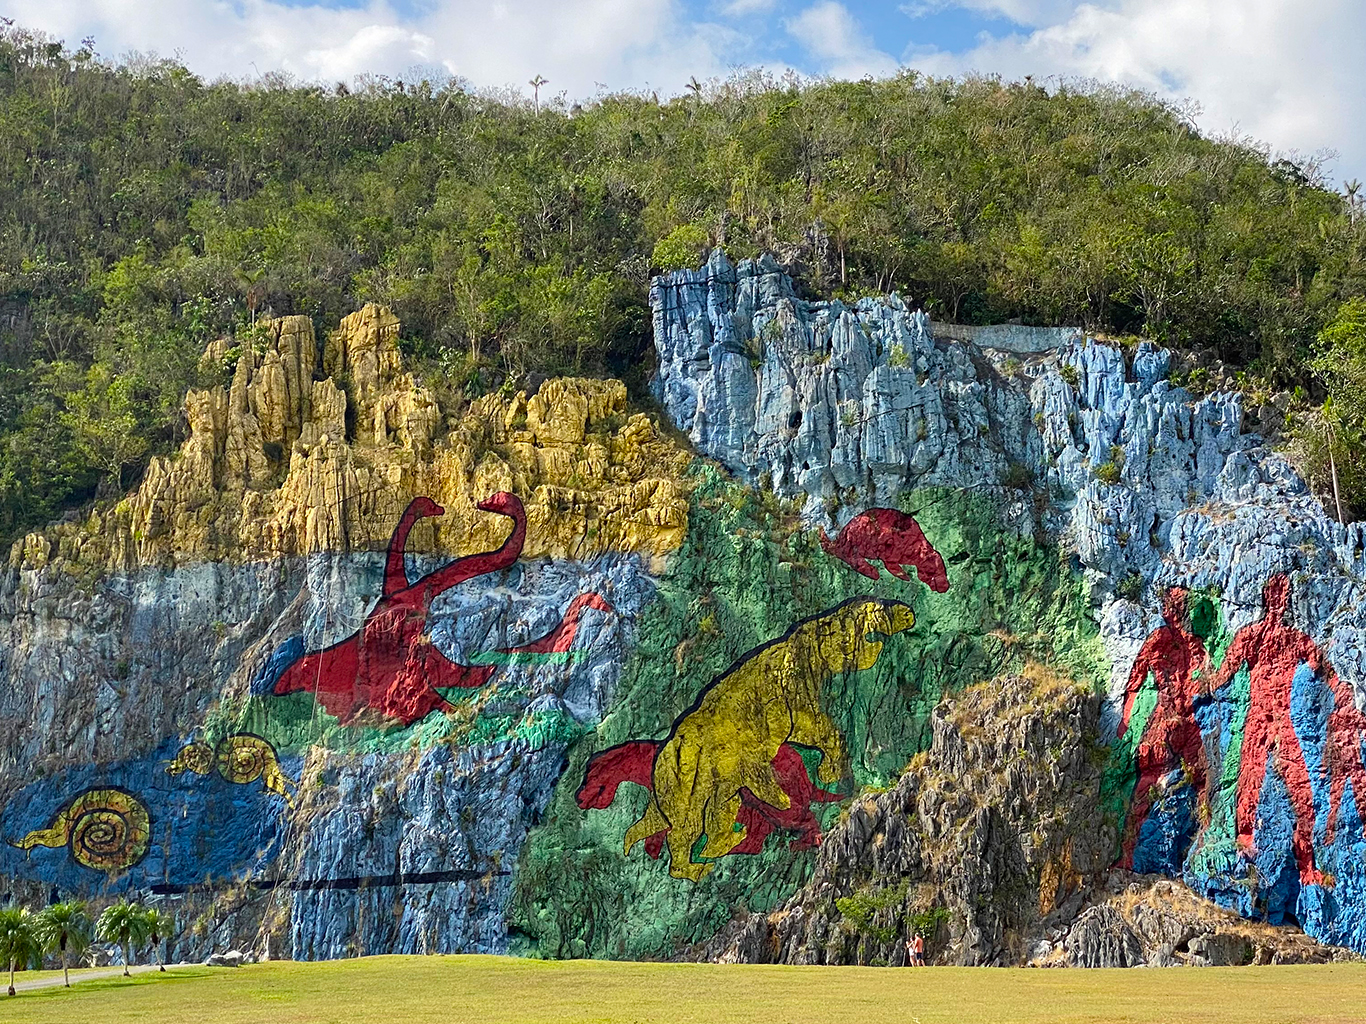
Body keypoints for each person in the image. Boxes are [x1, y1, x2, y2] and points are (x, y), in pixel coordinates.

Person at [1115, 587, 1211, 867]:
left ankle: (1204, 848)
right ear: (1166, 609)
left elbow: (1210, 675)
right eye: (1174, 604)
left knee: (1204, 784)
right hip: (1165, 722)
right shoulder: (1158, 640)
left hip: (1189, 724)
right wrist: (1125, 720)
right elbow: (1135, 679)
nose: (1177, 610)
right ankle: (1128, 853)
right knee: (1145, 786)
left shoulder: (1194, 643)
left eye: (1182, 604)